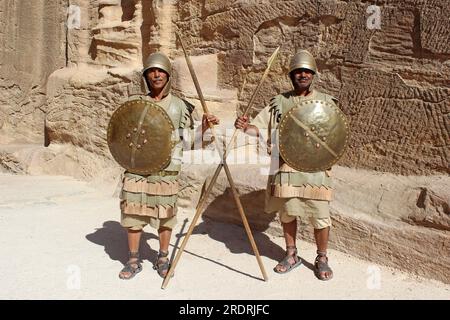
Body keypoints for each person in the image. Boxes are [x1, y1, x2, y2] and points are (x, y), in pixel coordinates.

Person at [234, 50, 337, 280]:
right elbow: (257, 128)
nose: (302, 75)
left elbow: (334, 134)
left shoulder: (326, 102)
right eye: (298, 71)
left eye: (307, 71)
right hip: (285, 166)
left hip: (314, 168)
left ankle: (322, 257)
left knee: (320, 215)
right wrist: (244, 126)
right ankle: (291, 254)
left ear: (313, 74)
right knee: (288, 213)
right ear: (292, 75)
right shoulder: (279, 103)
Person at [118, 52, 219, 279]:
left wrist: (202, 128)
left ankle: (162, 257)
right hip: (138, 168)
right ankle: (133, 260)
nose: (156, 74)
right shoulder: (135, 104)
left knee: (165, 215)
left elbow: (188, 142)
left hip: (166, 169)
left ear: (168, 75)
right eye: (152, 71)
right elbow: (123, 136)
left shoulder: (181, 107)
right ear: (146, 76)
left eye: (161, 71)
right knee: (133, 213)